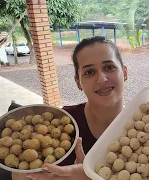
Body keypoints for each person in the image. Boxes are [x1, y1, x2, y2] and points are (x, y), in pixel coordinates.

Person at [12, 36, 128, 180]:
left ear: (124, 73)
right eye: (89, 72)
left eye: (109, 67)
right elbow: (19, 175)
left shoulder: (145, 125)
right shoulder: (61, 122)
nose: (102, 79)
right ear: (78, 82)